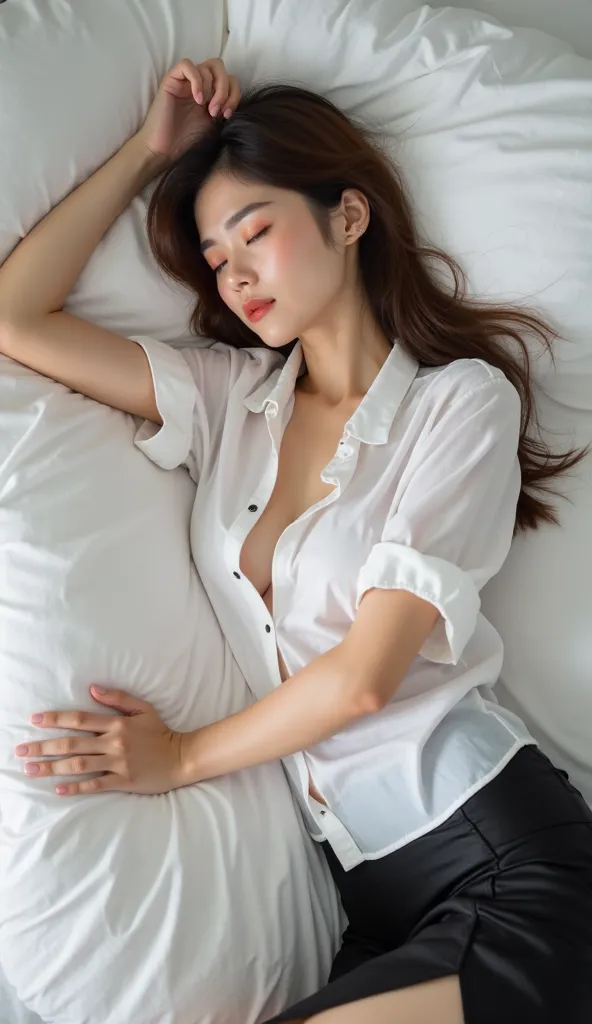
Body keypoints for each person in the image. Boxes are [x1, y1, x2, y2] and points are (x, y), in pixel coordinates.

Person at [1, 57, 591, 1024]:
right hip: (368, 903)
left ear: (348, 217)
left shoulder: (459, 405)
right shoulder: (231, 401)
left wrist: (181, 759)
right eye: (215, 258)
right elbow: (17, 318)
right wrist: (148, 159)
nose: (234, 276)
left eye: (256, 233)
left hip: (503, 866)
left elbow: (366, 675)